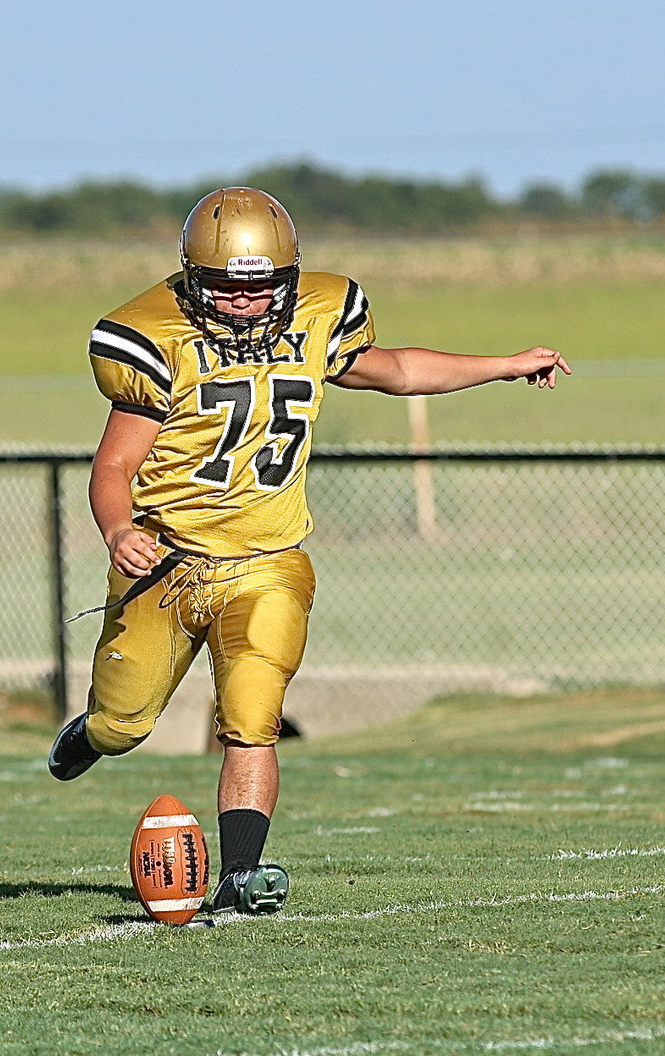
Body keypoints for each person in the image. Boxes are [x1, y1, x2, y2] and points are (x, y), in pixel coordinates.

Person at [49, 186, 570, 916]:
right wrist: (117, 530)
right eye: (225, 285)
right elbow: (112, 469)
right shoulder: (154, 337)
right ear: (193, 278)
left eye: (258, 284)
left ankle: (239, 876)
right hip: (169, 561)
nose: (242, 300)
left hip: (267, 561)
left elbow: (400, 371)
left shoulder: (320, 319)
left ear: (288, 277)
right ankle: (95, 733)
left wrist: (505, 363)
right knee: (127, 721)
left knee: (252, 718)